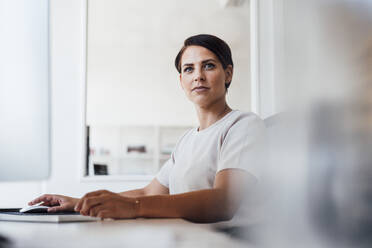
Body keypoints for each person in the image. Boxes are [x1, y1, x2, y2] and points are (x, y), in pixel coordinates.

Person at [29, 34, 266, 223]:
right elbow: (148, 193)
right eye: (189, 69)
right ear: (181, 81)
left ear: (228, 73)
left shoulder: (244, 125)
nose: (198, 76)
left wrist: (133, 208)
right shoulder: (187, 140)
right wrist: (79, 202)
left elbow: (223, 202)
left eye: (209, 66)